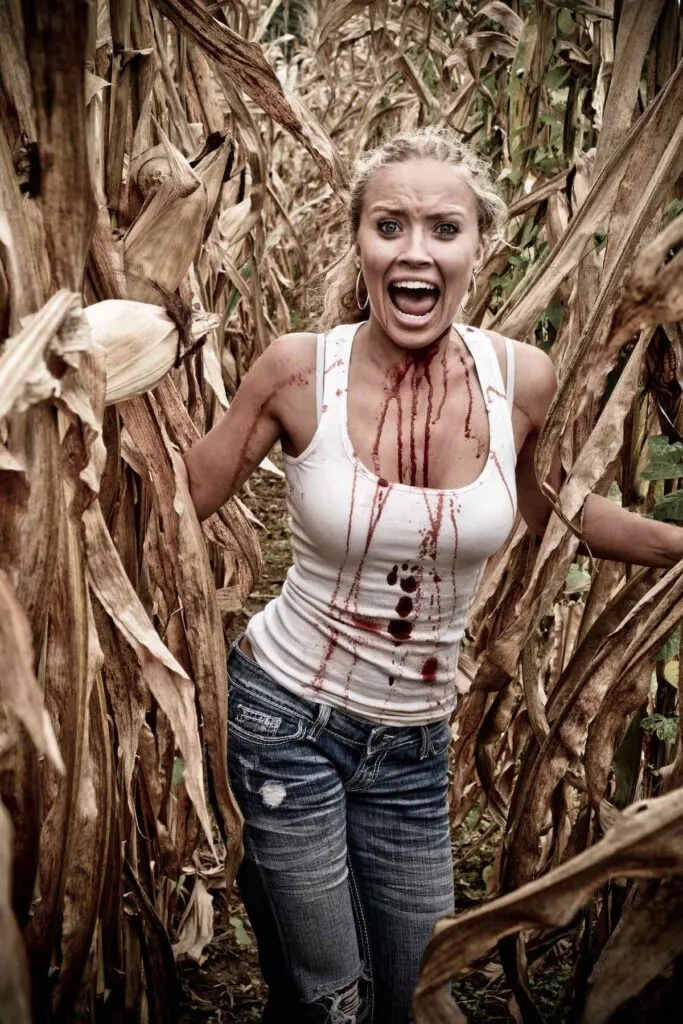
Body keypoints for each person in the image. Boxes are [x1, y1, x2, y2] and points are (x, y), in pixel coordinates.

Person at [174, 128, 683, 1023]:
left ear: (479, 249)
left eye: (442, 228)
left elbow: (562, 511)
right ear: (359, 245)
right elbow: (176, 506)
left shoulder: (518, 380)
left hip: (414, 746)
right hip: (283, 719)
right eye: (388, 225)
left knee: (418, 993)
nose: (414, 249)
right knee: (329, 999)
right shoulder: (299, 371)